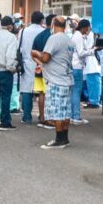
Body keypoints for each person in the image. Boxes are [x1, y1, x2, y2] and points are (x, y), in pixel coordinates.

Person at [32, 16, 74, 149]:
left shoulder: (54, 38)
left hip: (56, 81)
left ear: (53, 25)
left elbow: (45, 57)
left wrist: (36, 53)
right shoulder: (69, 40)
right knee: (65, 111)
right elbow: (56, 60)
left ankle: (59, 139)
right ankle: (65, 138)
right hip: (66, 79)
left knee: (57, 112)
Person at [18, 12, 46, 124]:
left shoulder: (23, 31)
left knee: (26, 90)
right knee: (42, 91)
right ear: (41, 20)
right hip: (41, 63)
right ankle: (42, 115)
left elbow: (19, 48)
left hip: (26, 63)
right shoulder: (44, 32)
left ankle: (27, 117)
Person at [31, 15, 54, 127]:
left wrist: (40, 63)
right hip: (50, 70)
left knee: (41, 94)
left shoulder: (39, 36)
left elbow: (33, 52)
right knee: (49, 94)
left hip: (38, 69)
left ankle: (42, 117)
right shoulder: (53, 36)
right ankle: (49, 118)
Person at [69, 19, 93, 125]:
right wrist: (93, 51)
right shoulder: (78, 36)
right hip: (77, 67)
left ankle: (72, 115)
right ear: (84, 27)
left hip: (74, 66)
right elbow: (81, 53)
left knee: (73, 91)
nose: (89, 30)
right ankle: (76, 116)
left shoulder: (76, 35)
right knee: (76, 92)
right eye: (88, 28)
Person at [79, 20, 101, 110]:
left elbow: (88, 49)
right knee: (91, 84)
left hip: (92, 64)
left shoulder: (91, 35)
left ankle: (94, 102)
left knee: (93, 84)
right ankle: (93, 101)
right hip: (90, 63)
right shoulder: (90, 35)